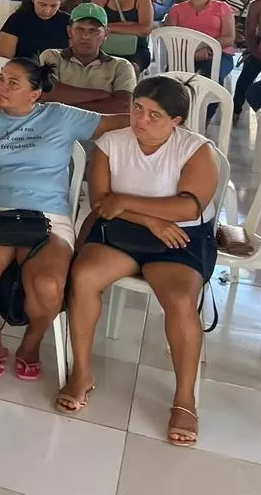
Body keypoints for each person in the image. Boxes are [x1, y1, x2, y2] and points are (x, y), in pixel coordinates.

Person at [59, 76, 217, 447]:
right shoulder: (111, 144)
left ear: (176, 121)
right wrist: (148, 220)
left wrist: (126, 202)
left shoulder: (196, 149)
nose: (140, 119)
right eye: (137, 108)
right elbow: (102, 202)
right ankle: (82, 372)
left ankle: (185, 398)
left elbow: (189, 207)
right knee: (83, 276)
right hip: (122, 231)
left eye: (154, 115)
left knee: (180, 300)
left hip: (179, 237)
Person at [0, 59, 128, 379]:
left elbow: (112, 123)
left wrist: (157, 119)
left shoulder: (59, 115)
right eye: (1, 79)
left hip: (49, 216)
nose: (2, 86)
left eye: (13, 83)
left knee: (48, 285)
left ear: (35, 94)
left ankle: (31, 343)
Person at [38, 3, 136, 113]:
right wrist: (101, 94)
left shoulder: (121, 66)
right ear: (69, 31)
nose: (86, 36)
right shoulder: (52, 56)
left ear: (106, 34)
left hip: (100, 125)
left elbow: (124, 106)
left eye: (93, 30)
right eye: (80, 29)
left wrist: (65, 103)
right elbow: (48, 93)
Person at [165, 0, 236, 82]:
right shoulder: (176, 10)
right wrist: (192, 52)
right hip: (184, 54)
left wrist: (206, 48)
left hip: (218, 53)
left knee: (209, 76)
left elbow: (229, 38)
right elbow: (171, 38)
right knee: (172, 79)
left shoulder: (222, 7)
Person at [92, 0, 154, 73]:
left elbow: (146, 29)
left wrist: (109, 27)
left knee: (130, 70)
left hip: (136, 49)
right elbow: (93, 23)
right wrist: (132, 25)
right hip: (105, 47)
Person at [0, 0, 71, 61]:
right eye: (42, 5)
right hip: (23, 68)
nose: (47, 10)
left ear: (61, 3)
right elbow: (3, 58)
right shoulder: (17, 20)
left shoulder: (67, 21)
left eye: (53, 6)